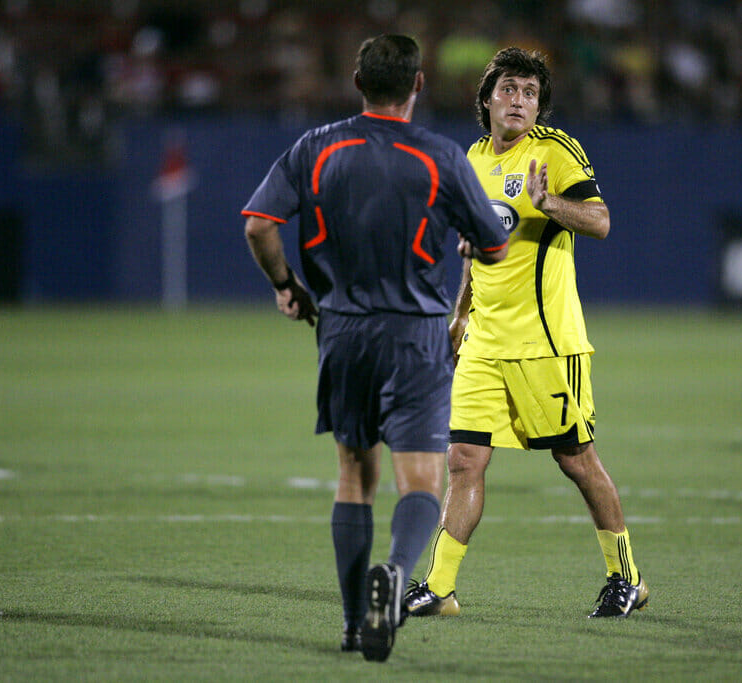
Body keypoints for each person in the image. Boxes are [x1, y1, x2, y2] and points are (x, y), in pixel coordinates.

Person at [242, 35, 509, 662]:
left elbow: (258, 224)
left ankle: (351, 620)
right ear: (418, 85)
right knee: (417, 478)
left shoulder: (317, 147)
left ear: (357, 82)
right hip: (416, 333)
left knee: (353, 477)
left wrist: (288, 286)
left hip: (342, 329)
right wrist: (472, 241)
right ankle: (396, 570)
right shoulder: (441, 155)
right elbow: (494, 245)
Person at [404, 47, 648, 620]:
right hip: (485, 339)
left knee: (576, 460)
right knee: (463, 459)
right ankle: (440, 589)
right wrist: (459, 312)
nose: (520, 101)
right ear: (486, 99)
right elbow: (473, 246)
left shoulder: (554, 152)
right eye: (509, 90)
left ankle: (626, 577)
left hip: (545, 341)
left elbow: (603, 221)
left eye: (530, 93)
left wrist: (549, 204)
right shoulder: (472, 158)